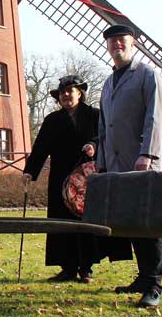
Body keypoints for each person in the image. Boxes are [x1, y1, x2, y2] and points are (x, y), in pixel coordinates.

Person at [96, 24, 162, 308]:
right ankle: (143, 276)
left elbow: (155, 116)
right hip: (117, 163)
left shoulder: (147, 74)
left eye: (121, 41)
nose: (117, 46)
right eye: (112, 42)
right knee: (132, 221)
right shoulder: (108, 81)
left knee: (149, 222)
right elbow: (104, 125)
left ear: (133, 44)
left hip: (142, 161)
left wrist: (147, 154)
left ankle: (154, 284)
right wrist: (102, 162)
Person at [22, 75, 102, 283]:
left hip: (86, 177)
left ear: (80, 93)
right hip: (60, 176)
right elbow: (40, 148)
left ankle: (86, 268)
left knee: (85, 220)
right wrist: (30, 170)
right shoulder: (52, 120)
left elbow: (103, 136)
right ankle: (67, 268)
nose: (66, 95)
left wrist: (93, 145)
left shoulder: (94, 115)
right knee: (61, 221)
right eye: (62, 92)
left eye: (70, 91)